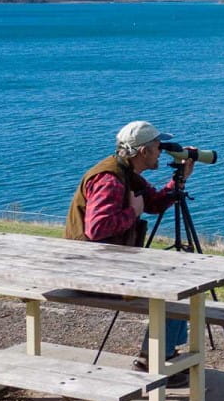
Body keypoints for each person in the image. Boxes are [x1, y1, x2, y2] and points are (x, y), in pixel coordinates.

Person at [65, 120, 196, 373]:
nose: (162, 151)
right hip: (91, 273)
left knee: (180, 280)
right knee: (177, 284)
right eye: (158, 147)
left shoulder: (126, 173)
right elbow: (97, 228)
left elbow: (155, 203)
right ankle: (152, 360)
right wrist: (133, 212)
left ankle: (164, 351)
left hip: (99, 264)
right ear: (143, 151)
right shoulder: (111, 180)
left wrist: (179, 181)